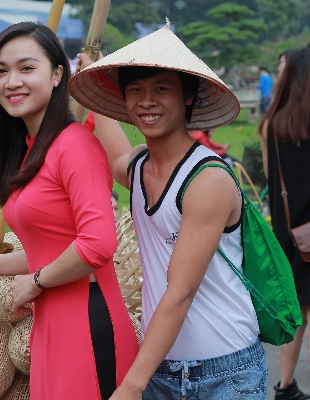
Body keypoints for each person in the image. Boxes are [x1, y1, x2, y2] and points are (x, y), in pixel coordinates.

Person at [71, 22, 265, 399]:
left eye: (161, 89)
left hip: (223, 373)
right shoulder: (142, 167)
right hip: (161, 362)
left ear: (188, 96)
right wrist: (91, 67)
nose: (147, 102)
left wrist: (131, 384)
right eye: (135, 91)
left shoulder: (207, 180)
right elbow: (116, 157)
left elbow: (180, 291)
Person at [0, 21, 139, 400]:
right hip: (52, 324)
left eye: (27, 68)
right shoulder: (28, 148)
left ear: (57, 74)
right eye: (1, 71)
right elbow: (55, 245)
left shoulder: (75, 146)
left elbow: (97, 245)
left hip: (88, 324)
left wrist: (35, 281)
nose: (12, 81)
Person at [258, 48, 310, 400]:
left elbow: (272, 175)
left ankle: (284, 386)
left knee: (295, 310)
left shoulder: (271, 124)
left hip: (287, 230)